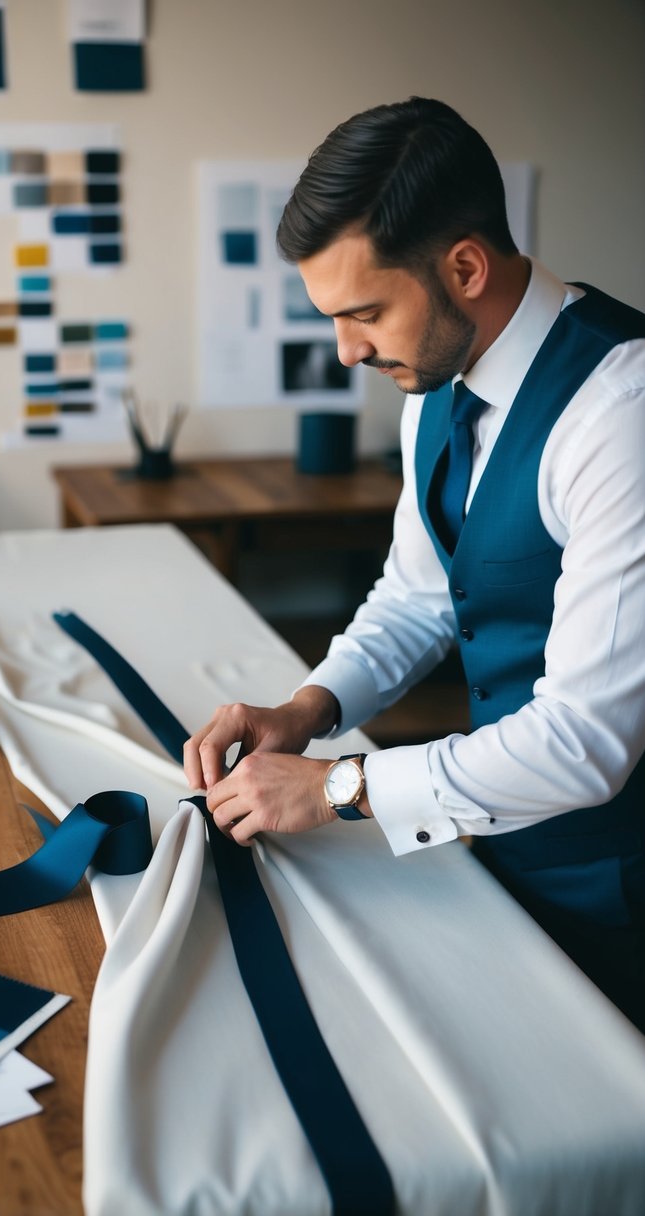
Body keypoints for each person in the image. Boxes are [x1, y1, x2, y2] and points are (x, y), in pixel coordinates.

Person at [183, 97, 645, 1032]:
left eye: (363, 312)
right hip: (496, 837)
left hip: (618, 881)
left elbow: (585, 743)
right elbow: (418, 595)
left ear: (464, 266)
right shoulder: (435, 379)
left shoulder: (621, 411)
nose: (347, 349)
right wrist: (308, 711)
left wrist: (339, 786)